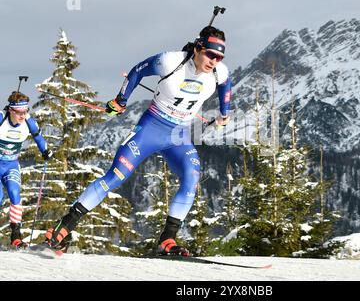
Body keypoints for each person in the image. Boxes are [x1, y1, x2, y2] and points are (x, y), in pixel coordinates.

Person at [44, 26, 232, 256]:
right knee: (117, 175)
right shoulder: (171, 61)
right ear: (197, 48)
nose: (214, 61)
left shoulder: (219, 71)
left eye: (219, 57)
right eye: (210, 54)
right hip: (151, 128)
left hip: (179, 136)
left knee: (191, 178)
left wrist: (225, 112)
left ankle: (168, 239)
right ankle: (66, 224)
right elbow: (137, 71)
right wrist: (120, 100)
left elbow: (226, 86)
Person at [0, 92, 52, 248]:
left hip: (11, 165)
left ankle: (16, 237)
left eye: (25, 111)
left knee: (15, 194)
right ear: (10, 110)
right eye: (19, 112)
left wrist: (45, 151)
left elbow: (38, 137)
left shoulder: (29, 121)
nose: (23, 115)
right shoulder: (1, 118)